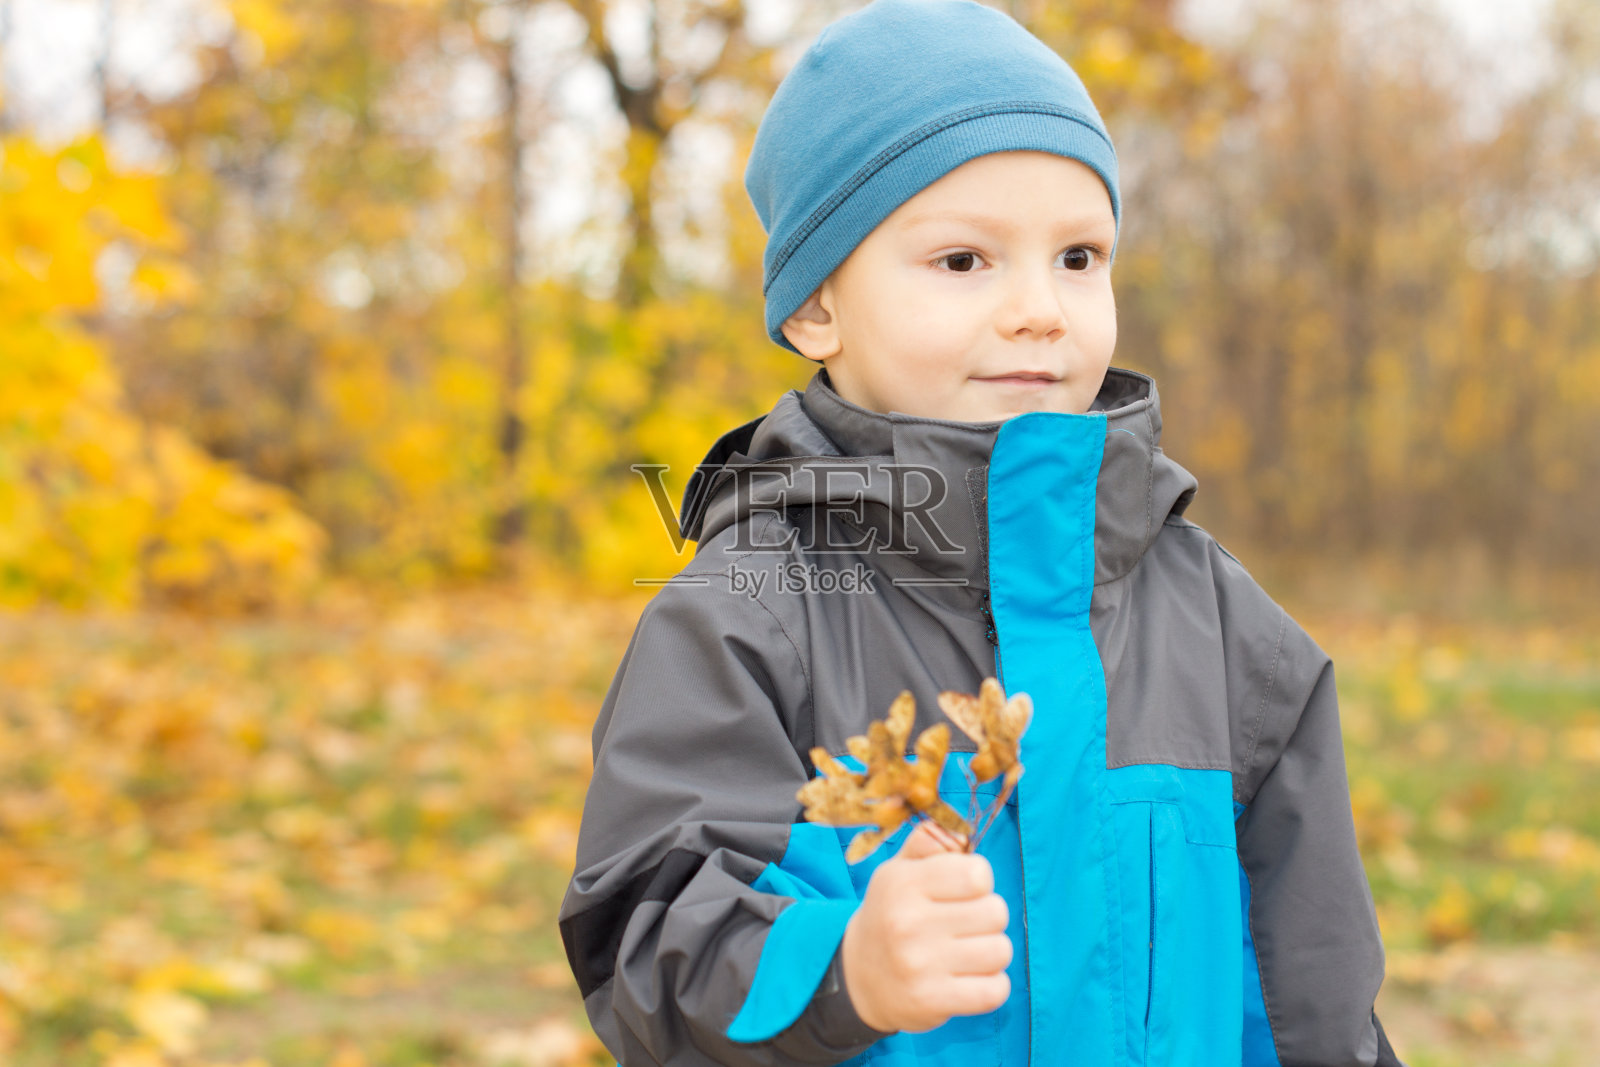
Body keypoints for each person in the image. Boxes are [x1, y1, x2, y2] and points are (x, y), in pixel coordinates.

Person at [559, 1, 1407, 1064]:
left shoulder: (1222, 625)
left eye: (1078, 257)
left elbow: (1313, 988)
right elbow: (644, 944)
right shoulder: (746, 616)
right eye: (965, 261)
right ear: (816, 308)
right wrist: (842, 967)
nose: (1041, 309)